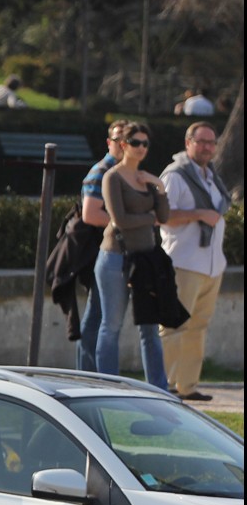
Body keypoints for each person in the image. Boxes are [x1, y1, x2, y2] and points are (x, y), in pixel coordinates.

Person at [94, 121, 171, 388]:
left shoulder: (147, 180)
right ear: (124, 145)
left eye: (145, 144)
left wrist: (159, 185)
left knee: (150, 328)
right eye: (136, 143)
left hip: (145, 259)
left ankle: (159, 389)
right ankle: (107, 384)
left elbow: (165, 216)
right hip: (115, 257)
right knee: (112, 324)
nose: (141, 148)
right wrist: (149, 217)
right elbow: (120, 220)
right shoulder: (112, 177)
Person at [159, 122, 232, 401]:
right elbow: (162, 215)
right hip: (184, 261)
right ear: (188, 142)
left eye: (211, 143)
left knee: (198, 326)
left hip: (212, 265)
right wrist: (199, 214)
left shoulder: (211, 176)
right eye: (201, 142)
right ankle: (161, 384)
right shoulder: (176, 175)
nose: (207, 148)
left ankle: (187, 386)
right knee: (174, 325)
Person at [66, 122, 130, 371]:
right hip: (98, 250)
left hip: (113, 249)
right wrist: (126, 223)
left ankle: (88, 372)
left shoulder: (125, 171)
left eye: (129, 140)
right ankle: (89, 372)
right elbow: (90, 215)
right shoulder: (101, 171)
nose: (123, 145)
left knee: (98, 314)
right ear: (109, 142)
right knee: (98, 317)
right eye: (118, 140)